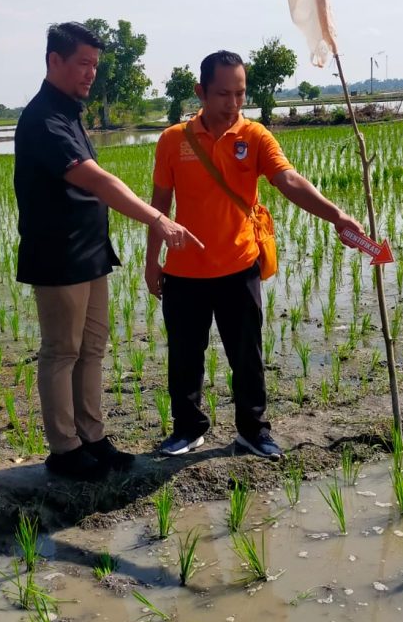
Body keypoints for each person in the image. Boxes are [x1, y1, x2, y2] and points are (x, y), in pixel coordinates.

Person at [145, 50, 366, 460]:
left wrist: (336, 215)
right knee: (184, 357)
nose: (232, 103)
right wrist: (150, 262)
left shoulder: (255, 136)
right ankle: (188, 429)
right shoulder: (173, 140)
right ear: (201, 92)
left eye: (240, 93)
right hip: (184, 271)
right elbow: (160, 203)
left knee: (247, 356)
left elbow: (287, 180)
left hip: (238, 265)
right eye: (223, 93)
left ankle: (253, 430)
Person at [14, 22, 202, 481]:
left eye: (95, 65)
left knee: (92, 348)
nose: (90, 73)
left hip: (90, 252)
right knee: (62, 351)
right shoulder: (44, 119)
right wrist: (157, 218)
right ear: (53, 61)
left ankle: (92, 437)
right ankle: (64, 448)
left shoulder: (70, 111)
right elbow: (98, 180)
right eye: (83, 63)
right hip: (58, 257)